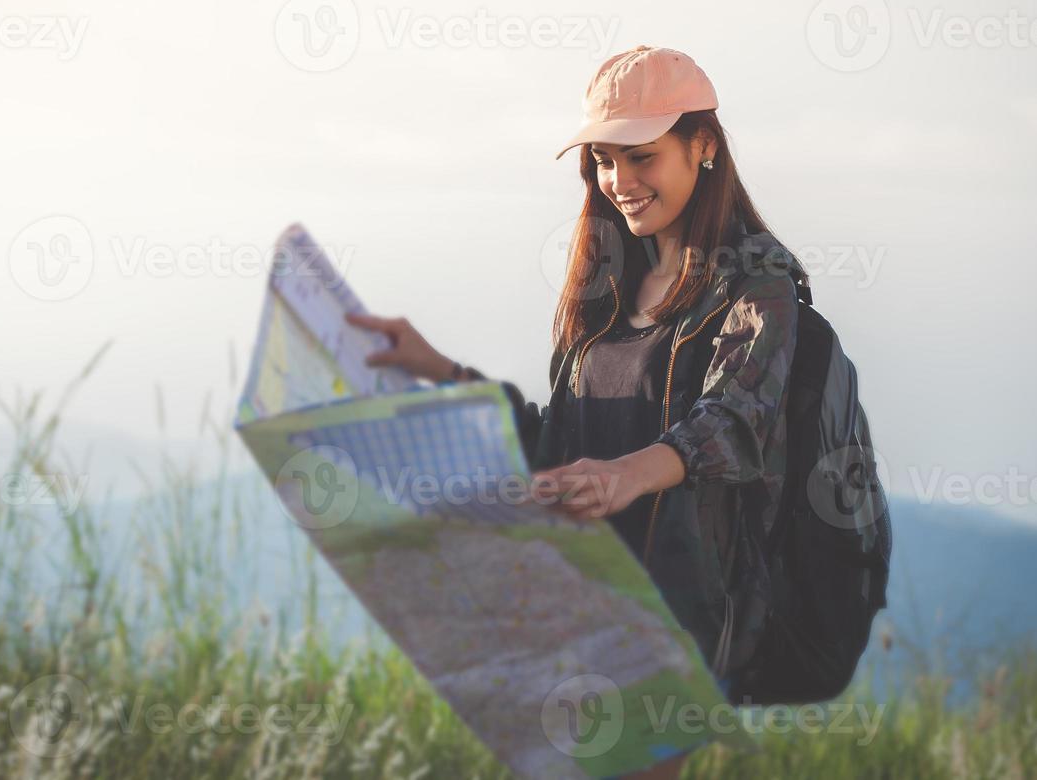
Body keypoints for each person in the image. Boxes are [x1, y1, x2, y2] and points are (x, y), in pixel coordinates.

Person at [345, 45, 807, 779]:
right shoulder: (610, 282)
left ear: (704, 146)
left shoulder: (759, 283)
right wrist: (439, 371)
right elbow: (562, 442)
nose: (619, 181)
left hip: (677, 620)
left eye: (642, 156)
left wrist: (631, 474)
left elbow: (735, 418)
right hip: (578, 604)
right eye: (602, 159)